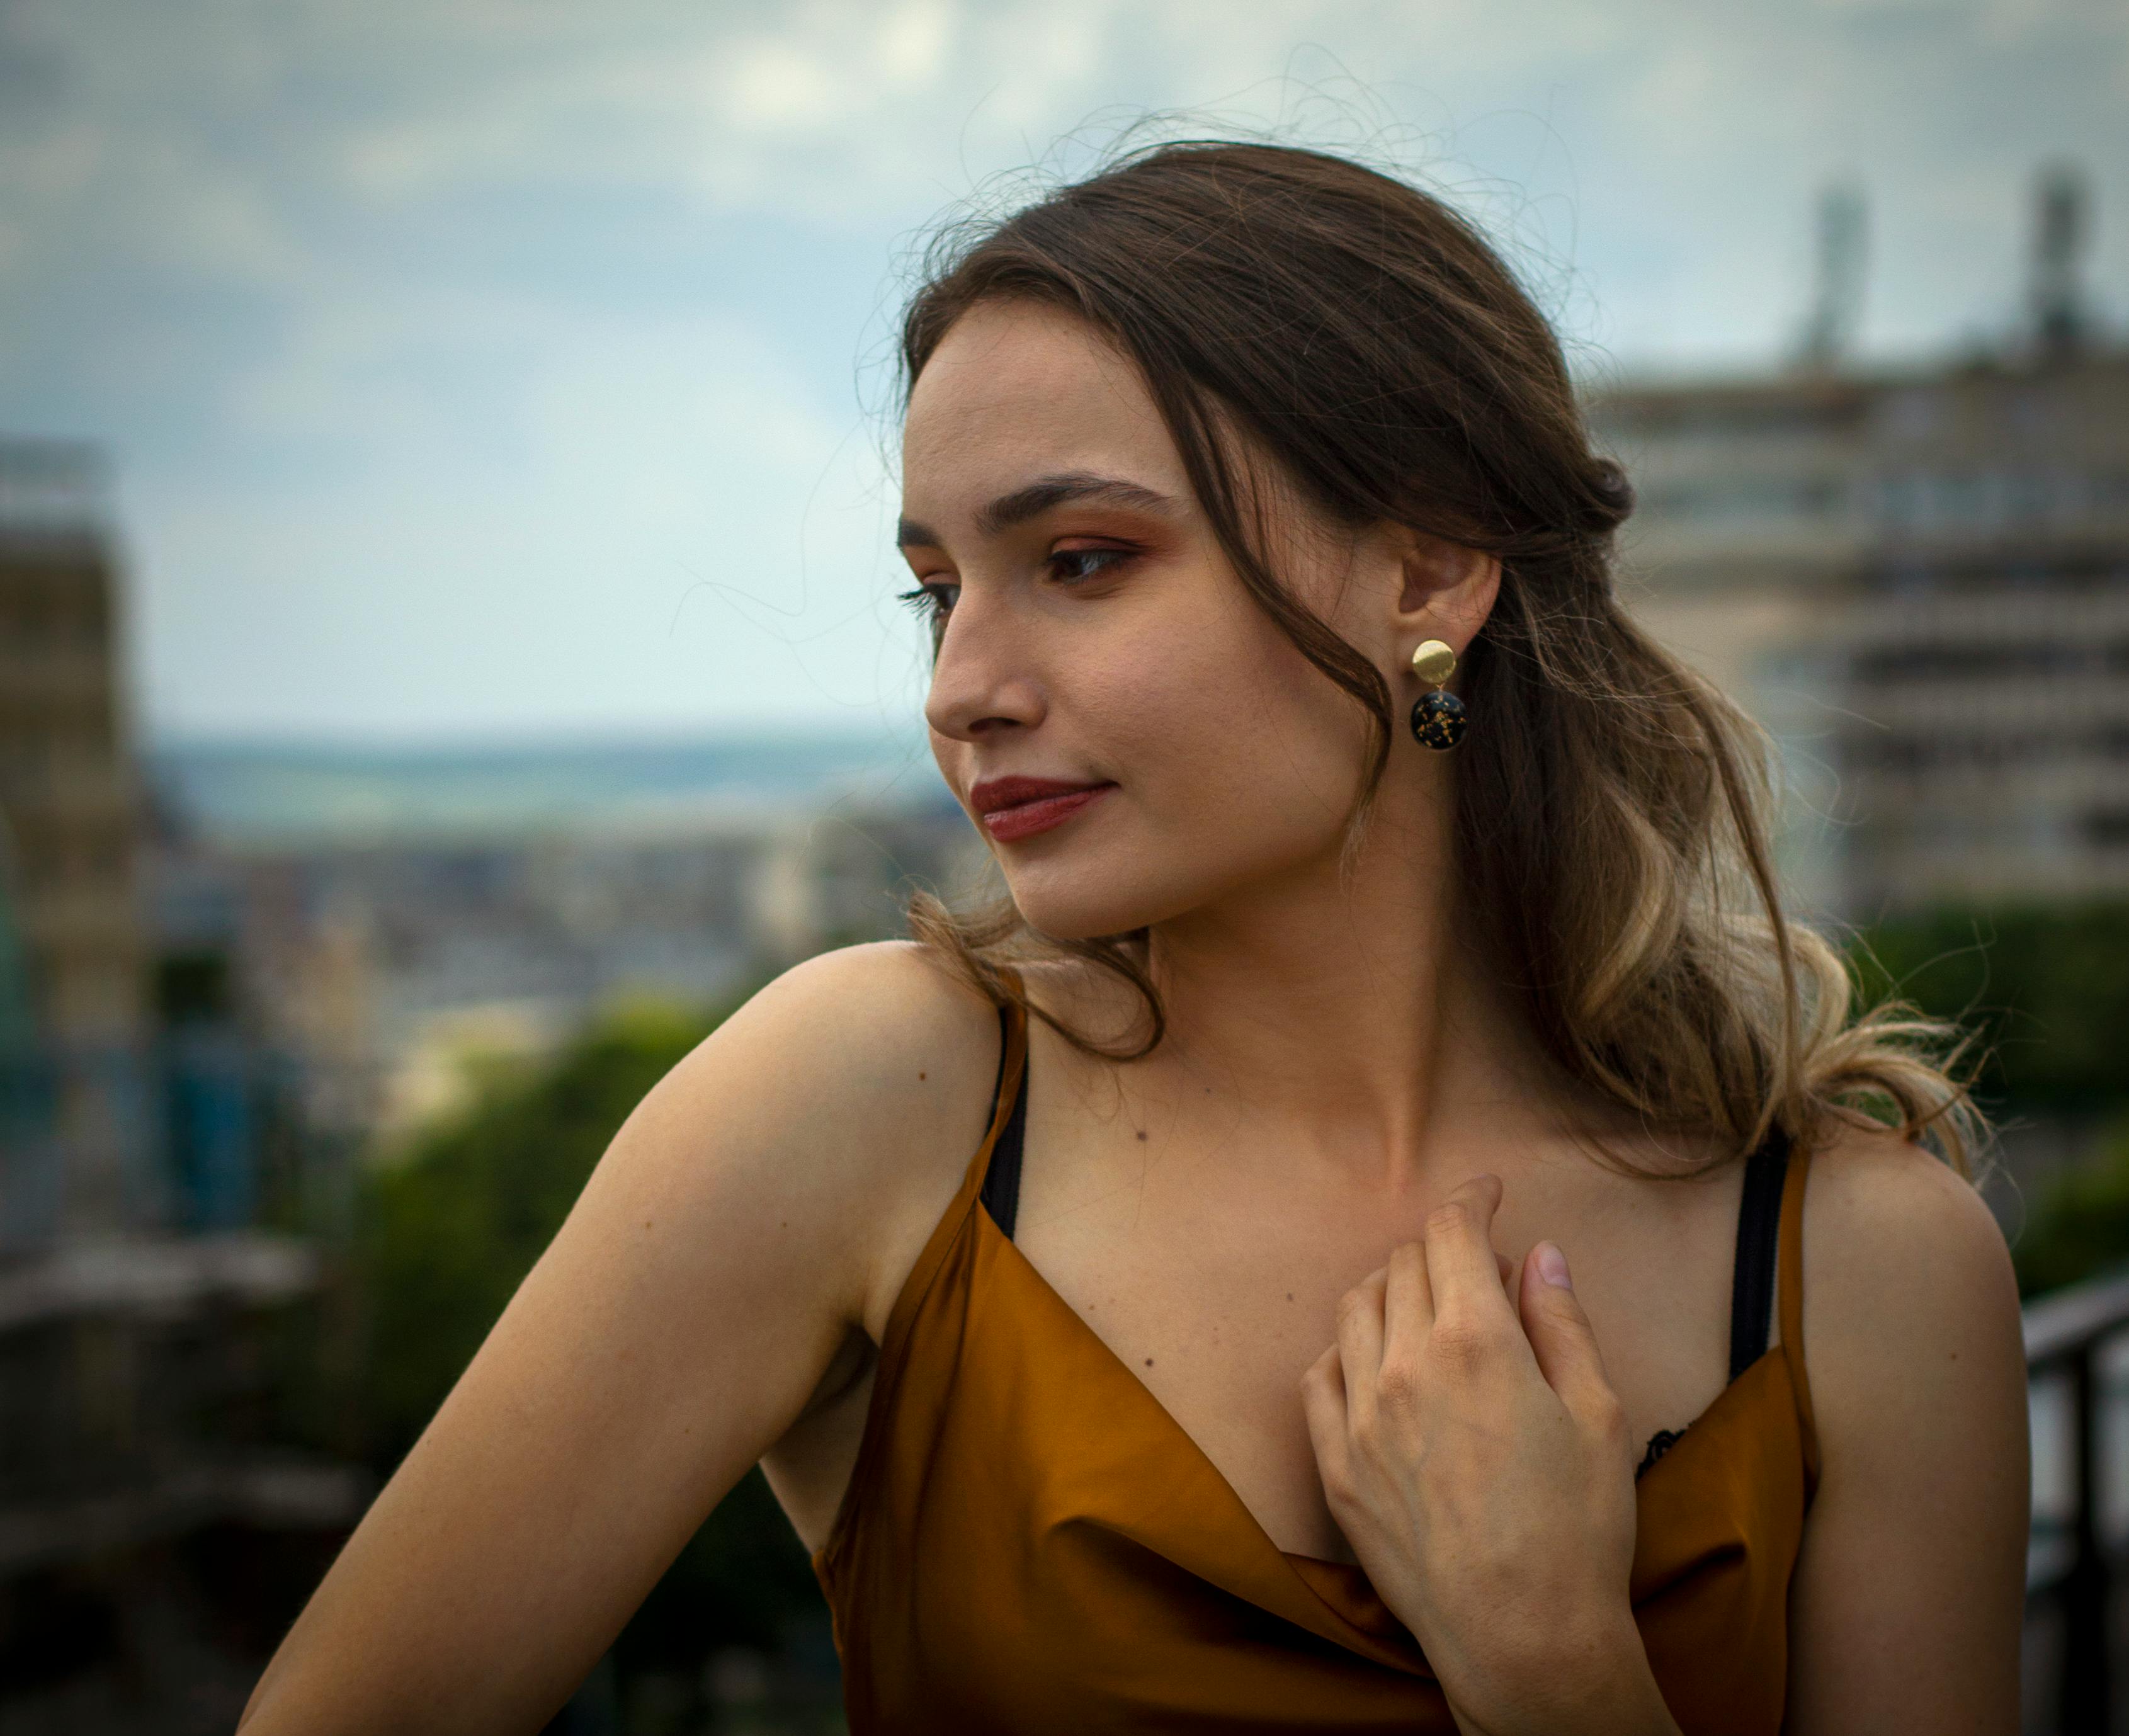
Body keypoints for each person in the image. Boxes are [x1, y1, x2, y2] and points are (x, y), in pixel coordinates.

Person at [240, 142, 2030, 1735]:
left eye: (1083, 559)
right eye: (937, 591)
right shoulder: (872, 1108)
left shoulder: (1867, 1273)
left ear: (1429, 576)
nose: (963, 690)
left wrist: (1551, 1663)